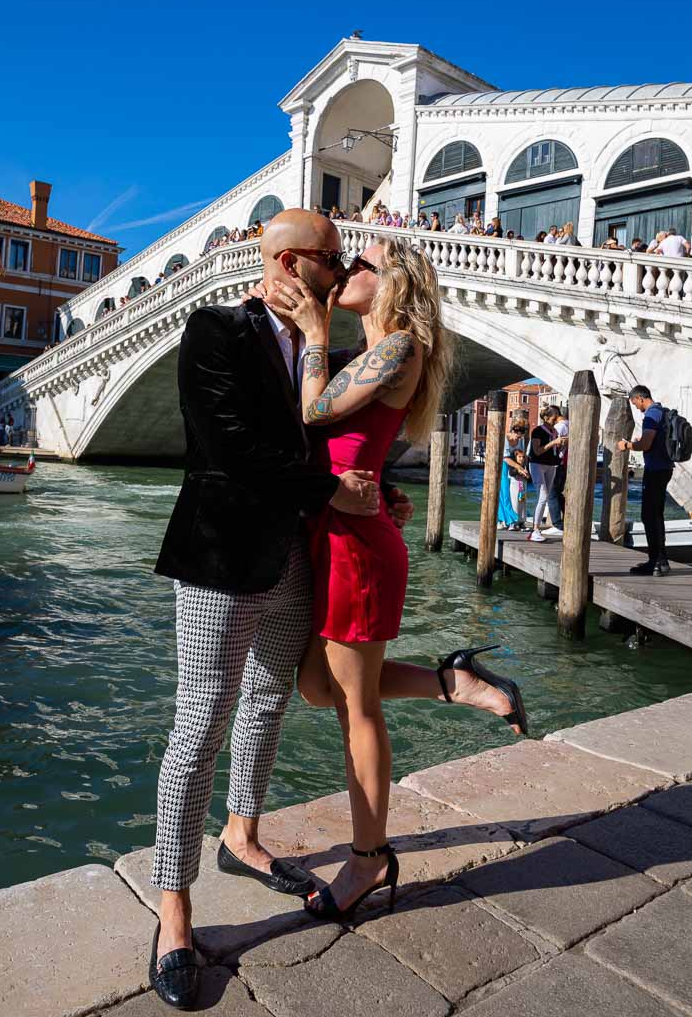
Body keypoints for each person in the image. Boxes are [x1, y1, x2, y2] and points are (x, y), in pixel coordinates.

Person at [149, 210, 385, 1008]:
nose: (341, 264)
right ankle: (173, 909)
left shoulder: (327, 350)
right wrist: (327, 491)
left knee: (268, 698)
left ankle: (241, 834)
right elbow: (227, 445)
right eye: (332, 256)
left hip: (293, 552)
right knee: (200, 722)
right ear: (291, 261)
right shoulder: (214, 330)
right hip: (220, 553)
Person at [265, 235, 528, 924]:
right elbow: (349, 445)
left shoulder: (400, 345)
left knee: (356, 706)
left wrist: (314, 330)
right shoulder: (375, 353)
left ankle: (368, 857)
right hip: (341, 531)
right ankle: (454, 682)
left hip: (358, 549)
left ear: (392, 283)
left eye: (361, 263)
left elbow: (315, 412)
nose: (347, 267)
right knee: (320, 687)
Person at [618, 385, 674, 576]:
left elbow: (646, 444)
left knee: (649, 516)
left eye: (635, 404)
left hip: (656, 470)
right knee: (656, 515)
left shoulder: (651, 415)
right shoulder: (663, 412)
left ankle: (655, 562)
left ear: (641, 398)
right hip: (664, 468)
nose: (636, 407)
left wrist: (627, 445)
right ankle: (661, 560)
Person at [526, 406, 566, 541]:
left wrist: (559, 444)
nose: (556, 420)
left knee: (547, 496)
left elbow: (553, 449)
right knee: (543, 497)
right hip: (537, 464)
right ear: (546, 418)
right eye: (554, 418)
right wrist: (554, 442)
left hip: (551, 465)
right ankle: (535, 530)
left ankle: (536, 529)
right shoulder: (537, 431)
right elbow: (537, 451)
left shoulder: (554, 431)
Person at [499, 419, 529, 529]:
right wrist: (519, 468)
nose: (518, 437)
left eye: (520, 436)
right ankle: (508, 519)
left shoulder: (520, 440)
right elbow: (506, 458)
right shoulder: (505, 439)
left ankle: (512, 519)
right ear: (512, 431)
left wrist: (522, 470)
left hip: (515, 468)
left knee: (515, 495)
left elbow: (521, 455)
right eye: (516, 434)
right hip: (504, 466)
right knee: (505, 493)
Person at [508, 449, 530, 528]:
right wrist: (518, 471)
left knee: (523, 504)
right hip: (515, 487)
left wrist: (527, 476)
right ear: (515, 457)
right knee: (515, 503)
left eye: (523, 457)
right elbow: (511, 473)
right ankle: (514, 521)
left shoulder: (525, 466)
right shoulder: (513, 465)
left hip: (523, 488)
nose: (522, 459)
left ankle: (522, 521)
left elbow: (529, 478)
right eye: (519, 457)